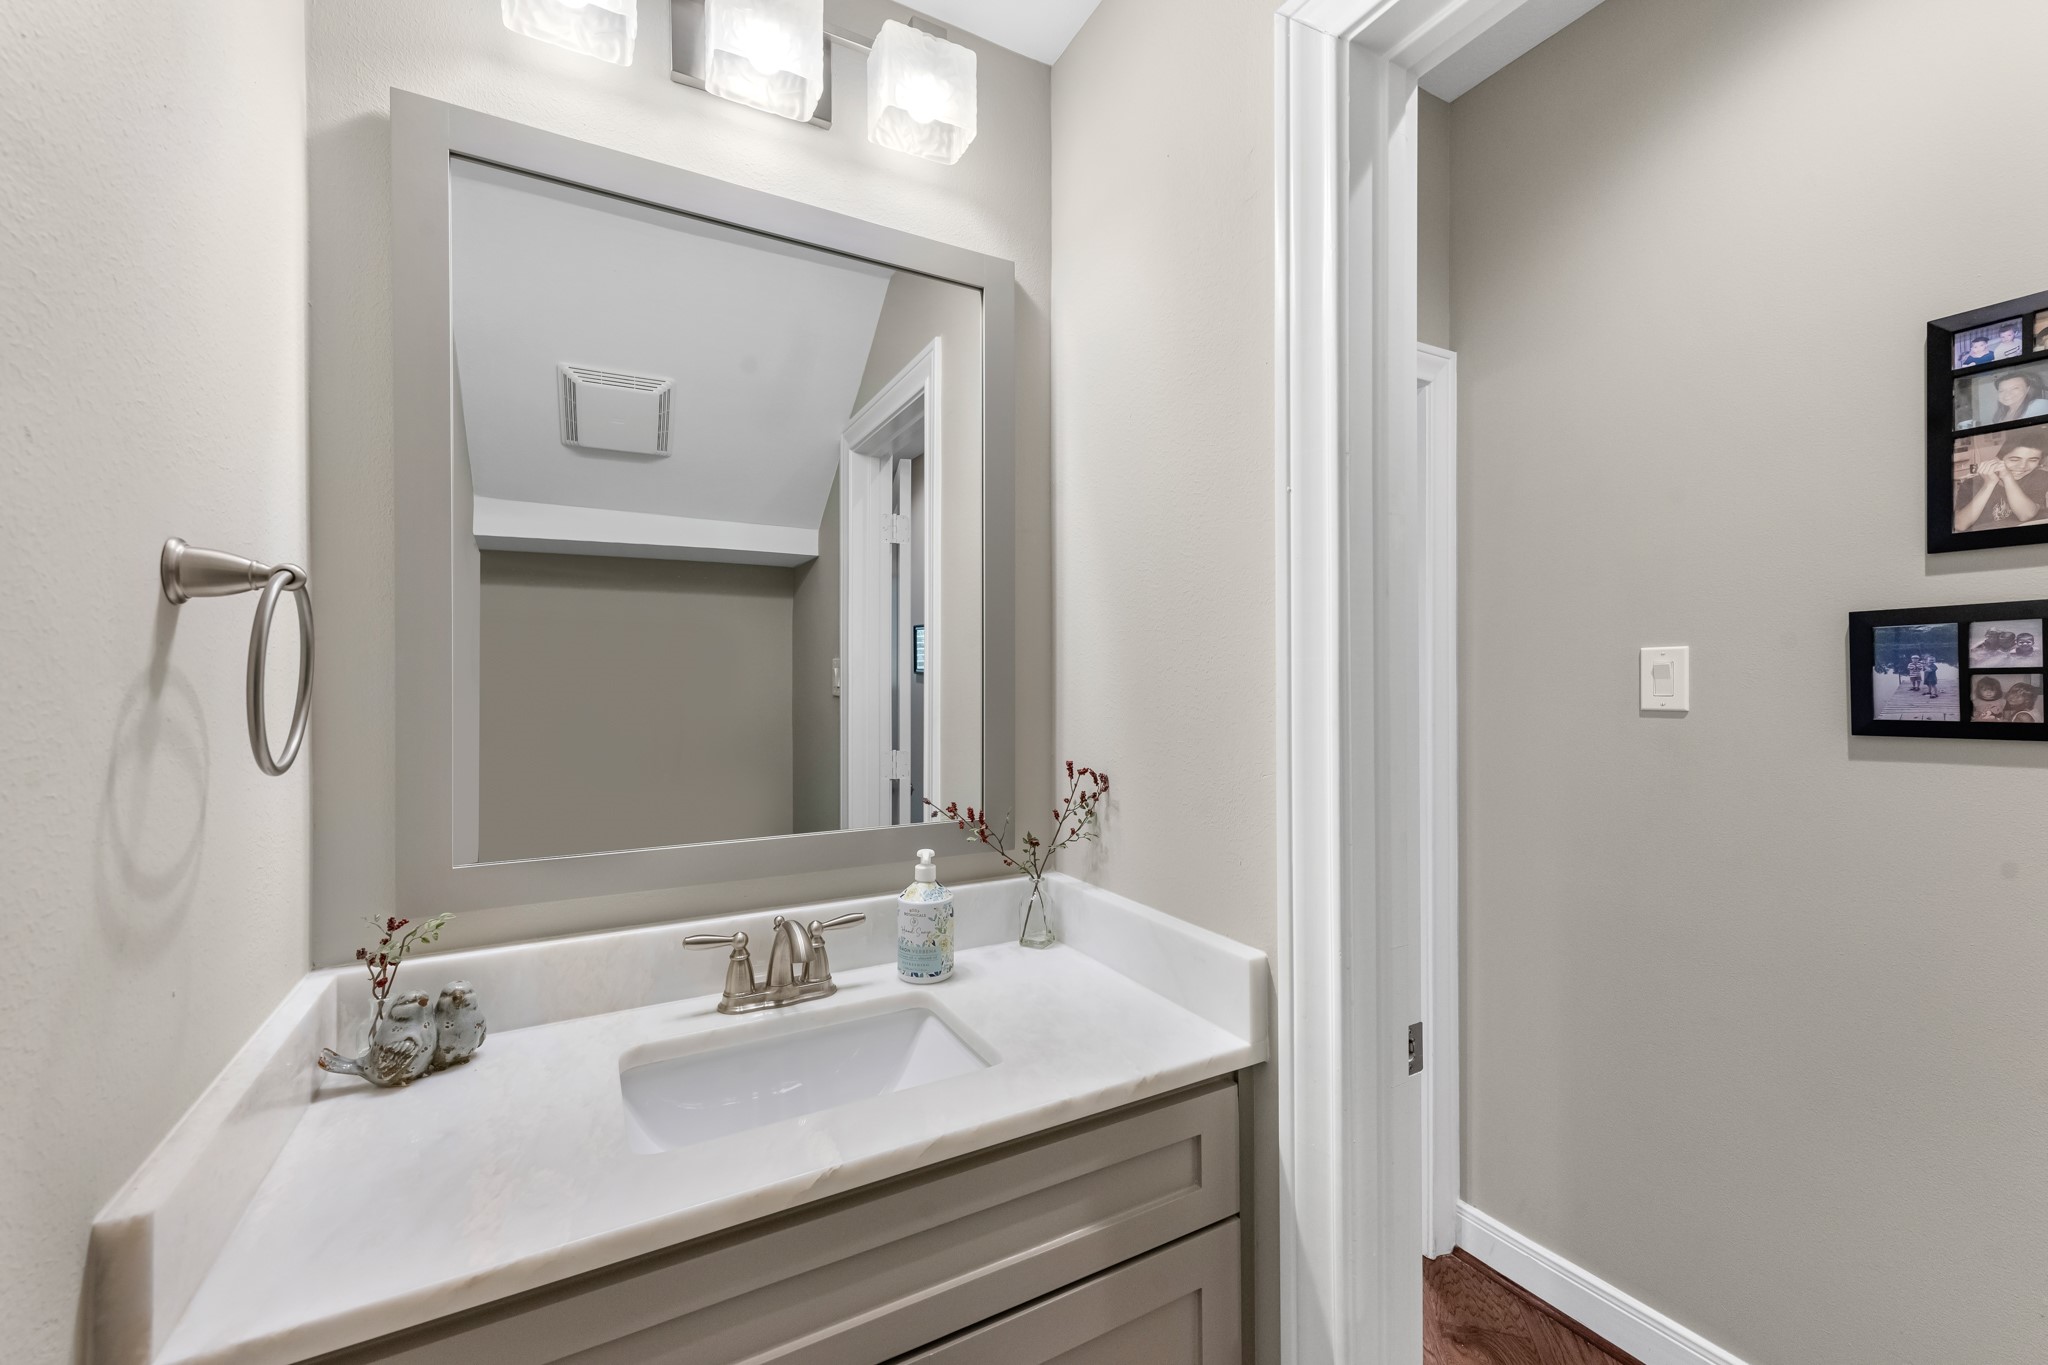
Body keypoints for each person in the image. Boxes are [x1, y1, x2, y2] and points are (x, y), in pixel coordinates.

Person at [1955, 430, 2048, 531]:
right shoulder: (1972, 482)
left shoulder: (2039, 476)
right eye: (2014, 459)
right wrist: (1989, 484)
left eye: (2033, 460)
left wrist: (2007, 478)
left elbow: (2025, 515)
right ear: (1998, 459)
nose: (2022, 466)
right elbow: (1960, 525)